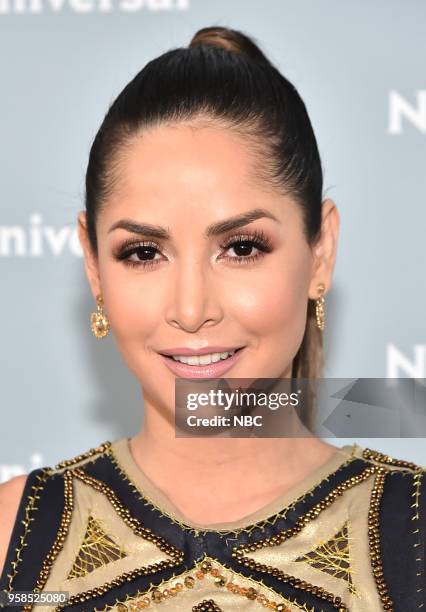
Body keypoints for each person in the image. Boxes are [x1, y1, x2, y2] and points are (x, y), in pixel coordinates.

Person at [0, 25, 425, 612]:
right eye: (143, 253)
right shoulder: (13, 543)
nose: (192, 310)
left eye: (242, 248)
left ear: (320, 251)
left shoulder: (413, 531)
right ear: (95, 268)